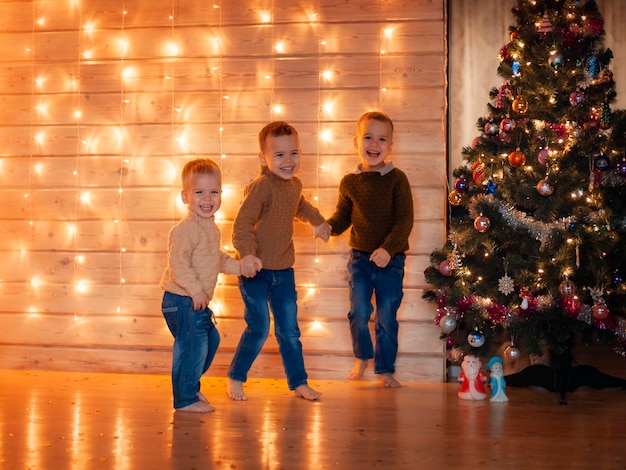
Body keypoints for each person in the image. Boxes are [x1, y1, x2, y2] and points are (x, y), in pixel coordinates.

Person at [226, 121, 331, 402]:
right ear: (263, 158)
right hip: (255, 272)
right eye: (279, 155)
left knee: (289, 331)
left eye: (294, 153)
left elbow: (301, 206)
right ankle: (236, 376)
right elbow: (242, 224)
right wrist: (247, 254)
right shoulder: (261, 187)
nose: (288, 161)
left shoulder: (295, 185)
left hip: (284, 271)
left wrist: (319, 222)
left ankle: (299, 382)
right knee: (259, 327)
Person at [160, 158, 256, 413]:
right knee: (194, 347)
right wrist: (196, 290)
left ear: (221, 194)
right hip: (181, 299)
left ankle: (188, 386)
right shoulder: (186, 228)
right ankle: (185, 398)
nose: (207, 198)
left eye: (213, 192)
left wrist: (242, 267)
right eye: (199, 192)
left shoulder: (211, 228)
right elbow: (177, 264)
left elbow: (218, 259)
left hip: (193, 299)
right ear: (185, 197)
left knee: (208, 341)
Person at [326, 111, 413, 388]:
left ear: (390, 145)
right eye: (368, 137)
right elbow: (342, 217)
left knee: (386, 315)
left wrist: (388, 250)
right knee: (360, 311)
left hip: (392, 260)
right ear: (356, 142)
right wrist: (327, 227)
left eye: (381, 139)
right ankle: (362, 356)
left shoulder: (397, 179)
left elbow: (404, 221)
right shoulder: (349, 182)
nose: (374, 144)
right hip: (360, 260)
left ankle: (385, 369)